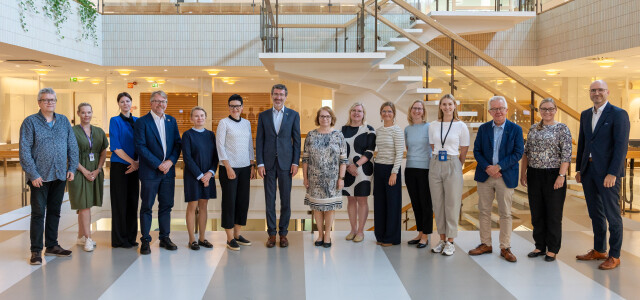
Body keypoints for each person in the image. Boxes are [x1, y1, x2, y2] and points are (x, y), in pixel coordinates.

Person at [19, 88, 79, 265]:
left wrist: (72, 167)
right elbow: (24, 150)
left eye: (52, 100)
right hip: (40, 178)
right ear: (39, 102)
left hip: (60, 174)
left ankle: (52, 245)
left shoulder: (63, 121)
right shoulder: (30, 122)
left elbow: (72, 145)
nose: (50, 102)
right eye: (46, 100)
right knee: (38, 213)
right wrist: (33, 173)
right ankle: (36, 250)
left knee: (55, 212)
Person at [575, 80, 630, 270]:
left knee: (612, 216)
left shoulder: (618, 114)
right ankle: (599, 250)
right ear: (589, 93)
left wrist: (613, 173)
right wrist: (579, 169)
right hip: (588, 171)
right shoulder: (585, 115)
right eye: (593, 90)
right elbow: (583, 143)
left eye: (600, 90)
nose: (596, 93)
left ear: (607, 92)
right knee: (595, 214)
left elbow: (621, 147)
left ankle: (614, 255)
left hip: (608, 174)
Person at [469, 96, 524, 262]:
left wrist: (498, 167)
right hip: (485, 175)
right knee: (484, 211)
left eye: (501, 108)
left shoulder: (516, 129)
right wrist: (488, 167)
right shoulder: (484, 128)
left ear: (507, 110)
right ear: (489, 112)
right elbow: (477, 151)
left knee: (505, 213)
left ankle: (505, 247)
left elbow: (518, 152)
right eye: (494, 109)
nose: (498, 111)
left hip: (504, 175)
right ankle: (485, 244)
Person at [520, 98, 572, 262]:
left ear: (556, 110)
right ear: (539, 111)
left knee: (553, 214)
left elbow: (566, 155)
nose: (547, 112)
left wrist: (561, 176)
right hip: (534, 174)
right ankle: (540, 245)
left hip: (554, 174)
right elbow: (526, 153)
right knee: (537, 213)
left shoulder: (562, 129)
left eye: (550, 109)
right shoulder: (534, 128)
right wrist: (523, 173)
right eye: (544, 109)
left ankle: (553, 248)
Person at [134, 90, 182, 255]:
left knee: (166, 206)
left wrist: (170, 162)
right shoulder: (142, 122)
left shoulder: (171, 121)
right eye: (157, 101)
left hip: (168, 172)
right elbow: (140, 146)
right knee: (147, 206)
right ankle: (146, 240)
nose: (161, 104)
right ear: (151, 103)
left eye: (163, 101)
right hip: (150, 172)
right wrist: (157, 164)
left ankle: (164, 238)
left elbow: (177, 144)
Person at [256, 84, 301, 248]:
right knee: (270, 200)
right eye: (276, 94)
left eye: (281, 95)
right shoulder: (264, 115)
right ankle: (271, 234)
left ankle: (283, 234)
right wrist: (259, 163)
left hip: (286, 164)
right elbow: (259, 141)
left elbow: (297, 141)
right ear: (272, 95)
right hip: (267, 164)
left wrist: (296, 162)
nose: (278, 97)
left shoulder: (293, 115)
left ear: (285, 96)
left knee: (285, 200)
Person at [429, 94, 469, 256]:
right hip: (436, 162)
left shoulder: (461, 126)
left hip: (453, 162)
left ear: (454, 106)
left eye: (450, 104)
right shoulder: (433, 125)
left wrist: (458, 163)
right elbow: (433, 145)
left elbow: (464, 148)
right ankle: (442, 239)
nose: (447, 107)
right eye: (444, 104)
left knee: (452, 203)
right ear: (440, 106)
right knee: (438, 204)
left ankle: (451, 241)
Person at [303, 107, 348, 248]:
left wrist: (341, 178)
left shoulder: (338, 135)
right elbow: (305, 159)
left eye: (327, 116)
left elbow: (343, 160)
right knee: (317, 208)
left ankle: (327, 235)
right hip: (314, 178)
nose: (325, 119)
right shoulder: (311, 135)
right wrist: (305, 178)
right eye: (322, 116)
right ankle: (320, 235)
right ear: (318, 118)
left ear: (331, 118)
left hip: (332, 179)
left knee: (329, 208)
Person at [216, 95, 256, 251]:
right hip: (229, 169)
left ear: (242, 107)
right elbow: (220, 146)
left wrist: (252, 165)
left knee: (242, 202)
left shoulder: (246, 123)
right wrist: (227, 167)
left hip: (245, 167)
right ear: (228, 107)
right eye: (232, 106)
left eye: (237, 106)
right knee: (229, 202)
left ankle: (238, 235)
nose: (235, 108)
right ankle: (229, 237)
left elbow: (249, 145)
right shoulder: (223, 123)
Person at [68, 103, 108, 252]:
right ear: (78, 114)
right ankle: (89, 239)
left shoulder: (99, 131)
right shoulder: (72, 132)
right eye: (83, 112)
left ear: (92, 113)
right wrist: (84, 171)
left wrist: (98, 169)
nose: (86, 115)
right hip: (78, 171)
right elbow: (70, 154)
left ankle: (81, 236)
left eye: (89, 112)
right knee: (83, 205)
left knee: (86, 204)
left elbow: (103, 151)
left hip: (95, 171)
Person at [182, 106, 219, 250]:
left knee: (204, 206)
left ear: (205, 117)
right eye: (196, 116)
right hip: (193, 176)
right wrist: (200, 175)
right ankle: (192, 239)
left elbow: (215, 157)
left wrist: (209, 173)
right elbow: (187, 158)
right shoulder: (187, 135)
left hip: (208, 176)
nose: (199, 118)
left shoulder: (211, 135)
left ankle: (202, 238)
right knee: (192, 206)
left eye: (202, 115)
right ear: (191, 119)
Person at [109, 92, 140, 249]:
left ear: (131, 103)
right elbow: (116, 147)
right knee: (120, 203)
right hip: (120, 166)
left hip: (135, 166)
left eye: (128, 101)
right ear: (119, 104)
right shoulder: (114, 121)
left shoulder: (137, 121)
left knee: (133, 203)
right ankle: (119, 239)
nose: (125, 103)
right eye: (122, 101)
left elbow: (142, 144)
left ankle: (131, 237)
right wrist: (132, 162)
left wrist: (137, 163)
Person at [341, 103, 375, 243]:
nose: (356, 113)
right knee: (350, 199)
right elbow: (340, 150)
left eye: (359, 111)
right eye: (353, 110)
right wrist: (348, 166)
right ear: (350, 112)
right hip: (347, 168)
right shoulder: (343, 129)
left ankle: (361, 231)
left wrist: (356, 165)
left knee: (361, 199)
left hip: (363, 169)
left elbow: (370, 151)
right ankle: (353, 230)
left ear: (363, 113)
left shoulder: (369, 129)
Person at [373, 102, 404, 247]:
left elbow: (399, 153)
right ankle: (380, 235)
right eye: (384, 111)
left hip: (392, 170)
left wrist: (394, 172)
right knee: (379, 204)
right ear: (380, 114)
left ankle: (391, 237)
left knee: (392, 205)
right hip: (378, 168)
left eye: (389, 111)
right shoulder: (378, 131)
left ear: (394, 114)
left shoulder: (397, 130)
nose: (387, 114)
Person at [404, 100, 433, 248]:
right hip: (410, 169)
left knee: (425, 203)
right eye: (414, 108)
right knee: (415, 203)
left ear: (423, 111)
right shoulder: (407, 129)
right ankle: (420, 232)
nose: (417, 111)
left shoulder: (429, 127)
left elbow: (432, 148)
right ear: (410, 110)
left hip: (425, 170)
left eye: (419, 109)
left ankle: (426, 235)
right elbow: (409, 148)